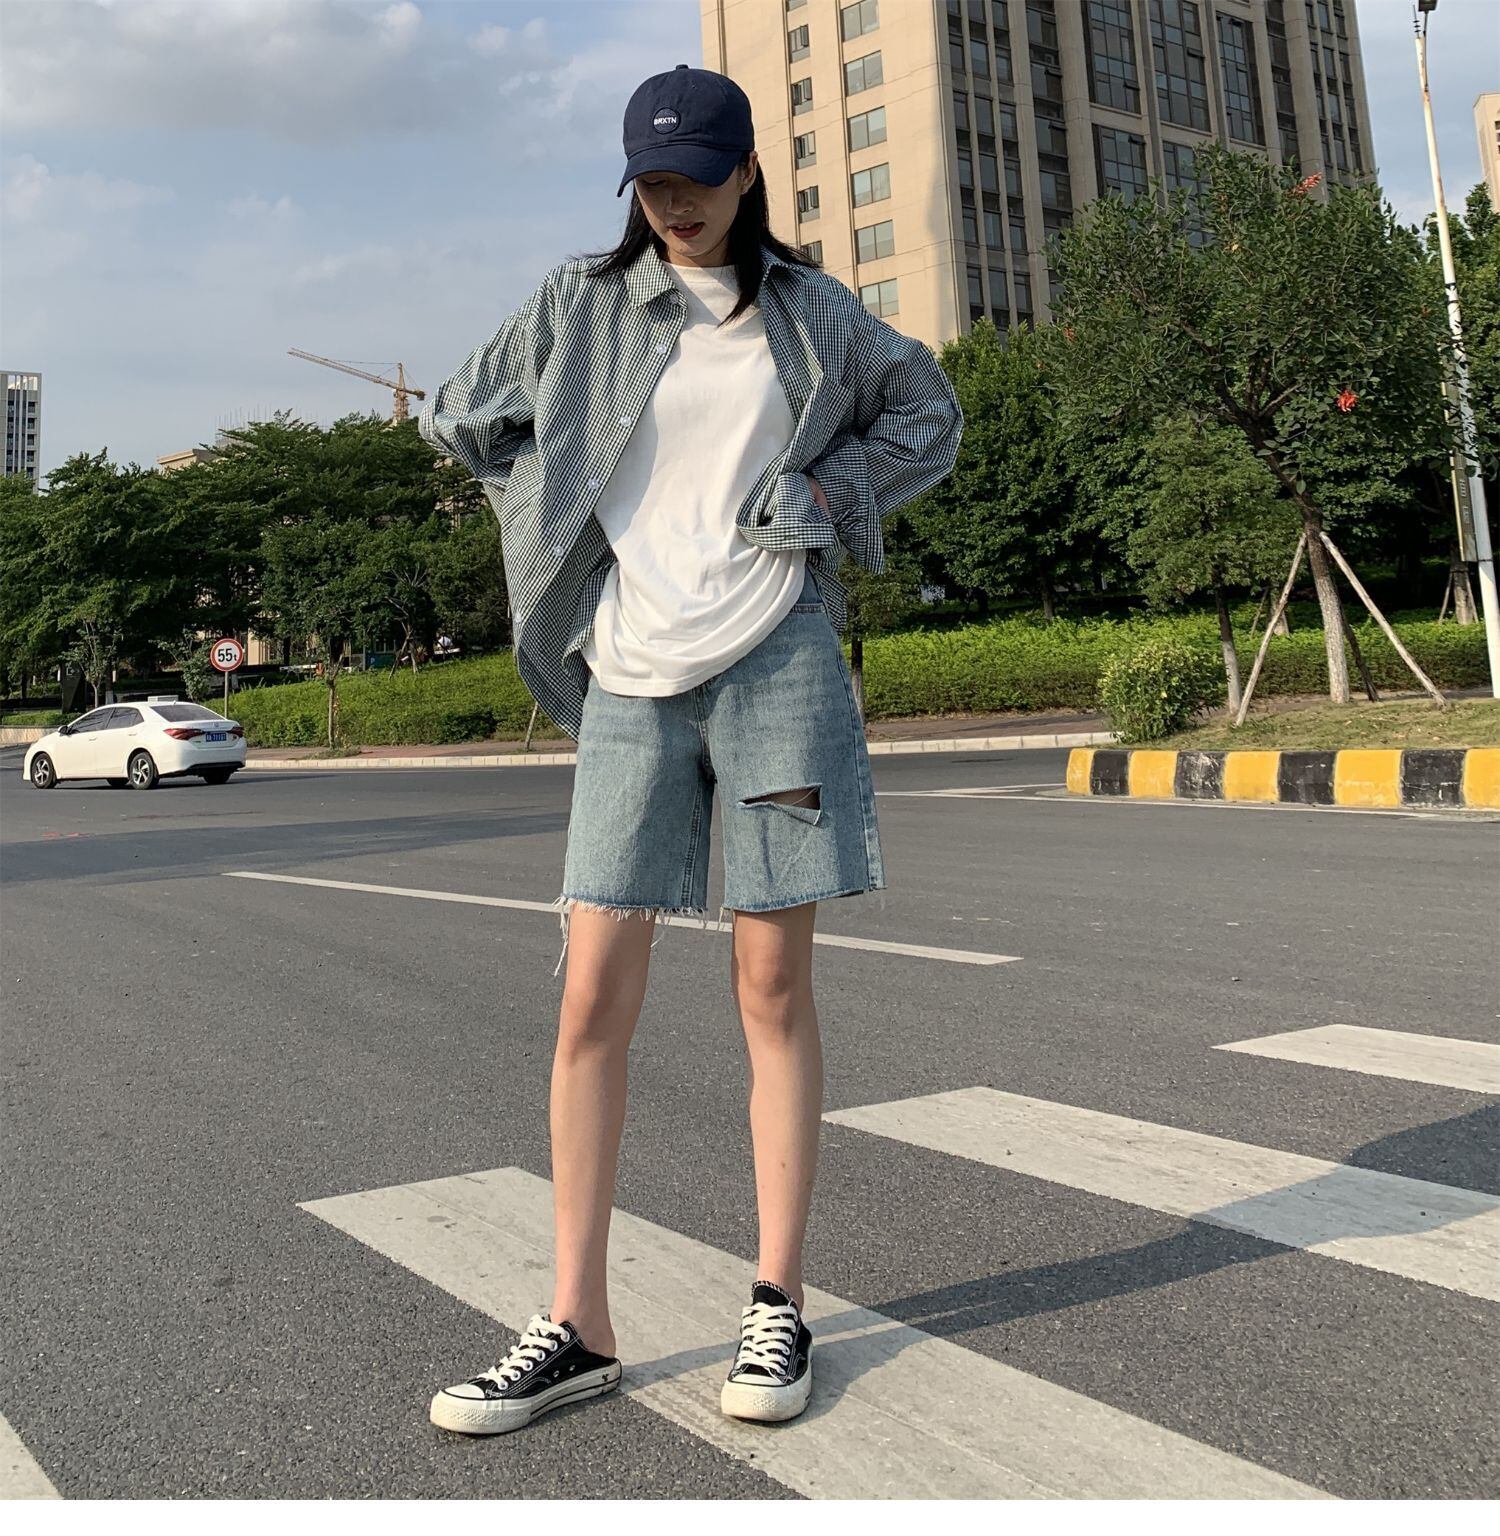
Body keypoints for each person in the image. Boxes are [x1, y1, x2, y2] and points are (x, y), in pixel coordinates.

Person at [419, 64, 961, 1437]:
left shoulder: (814, 312)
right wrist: (554, 508)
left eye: (697, 181)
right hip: (631, 673)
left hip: (778, 659)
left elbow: (931, 416)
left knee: (771, 986)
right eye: (652, 184)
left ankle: (778, 1301)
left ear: (745, 175)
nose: (675, 206)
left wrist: (830, 489)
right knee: (590, 996)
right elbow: (460, 411)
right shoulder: (580, 303)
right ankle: (578, 1323)